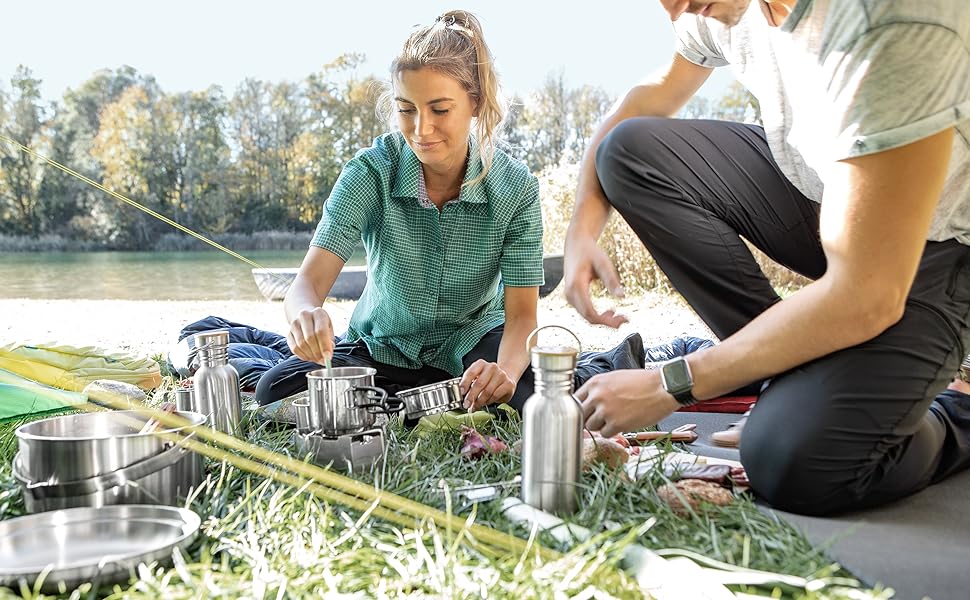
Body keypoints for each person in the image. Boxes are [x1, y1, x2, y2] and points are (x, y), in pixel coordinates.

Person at [565, 0, 970, 515]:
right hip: (828, 201)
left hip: (937, 250)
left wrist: (671, 383)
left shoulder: (890, 19)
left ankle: (958, 408)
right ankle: (785, 372)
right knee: (628, 152)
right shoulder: (717, 8)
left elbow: (868, 294)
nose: (675, 11)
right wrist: (582, 227)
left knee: (793, 461)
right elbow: (645, 101)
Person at [255, 10, 644, 412]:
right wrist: (304, 314)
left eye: (439, 110)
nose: (422, 129)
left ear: (474, 103)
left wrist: (506, 375)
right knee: (276, 388)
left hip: (474, 345)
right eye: (407, 109)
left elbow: (522, 318)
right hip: (381, 348)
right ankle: (432, 398)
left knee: (531, 396)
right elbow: (307, 285)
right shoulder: (370, 172)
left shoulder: (516, 189)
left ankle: (428, 398)